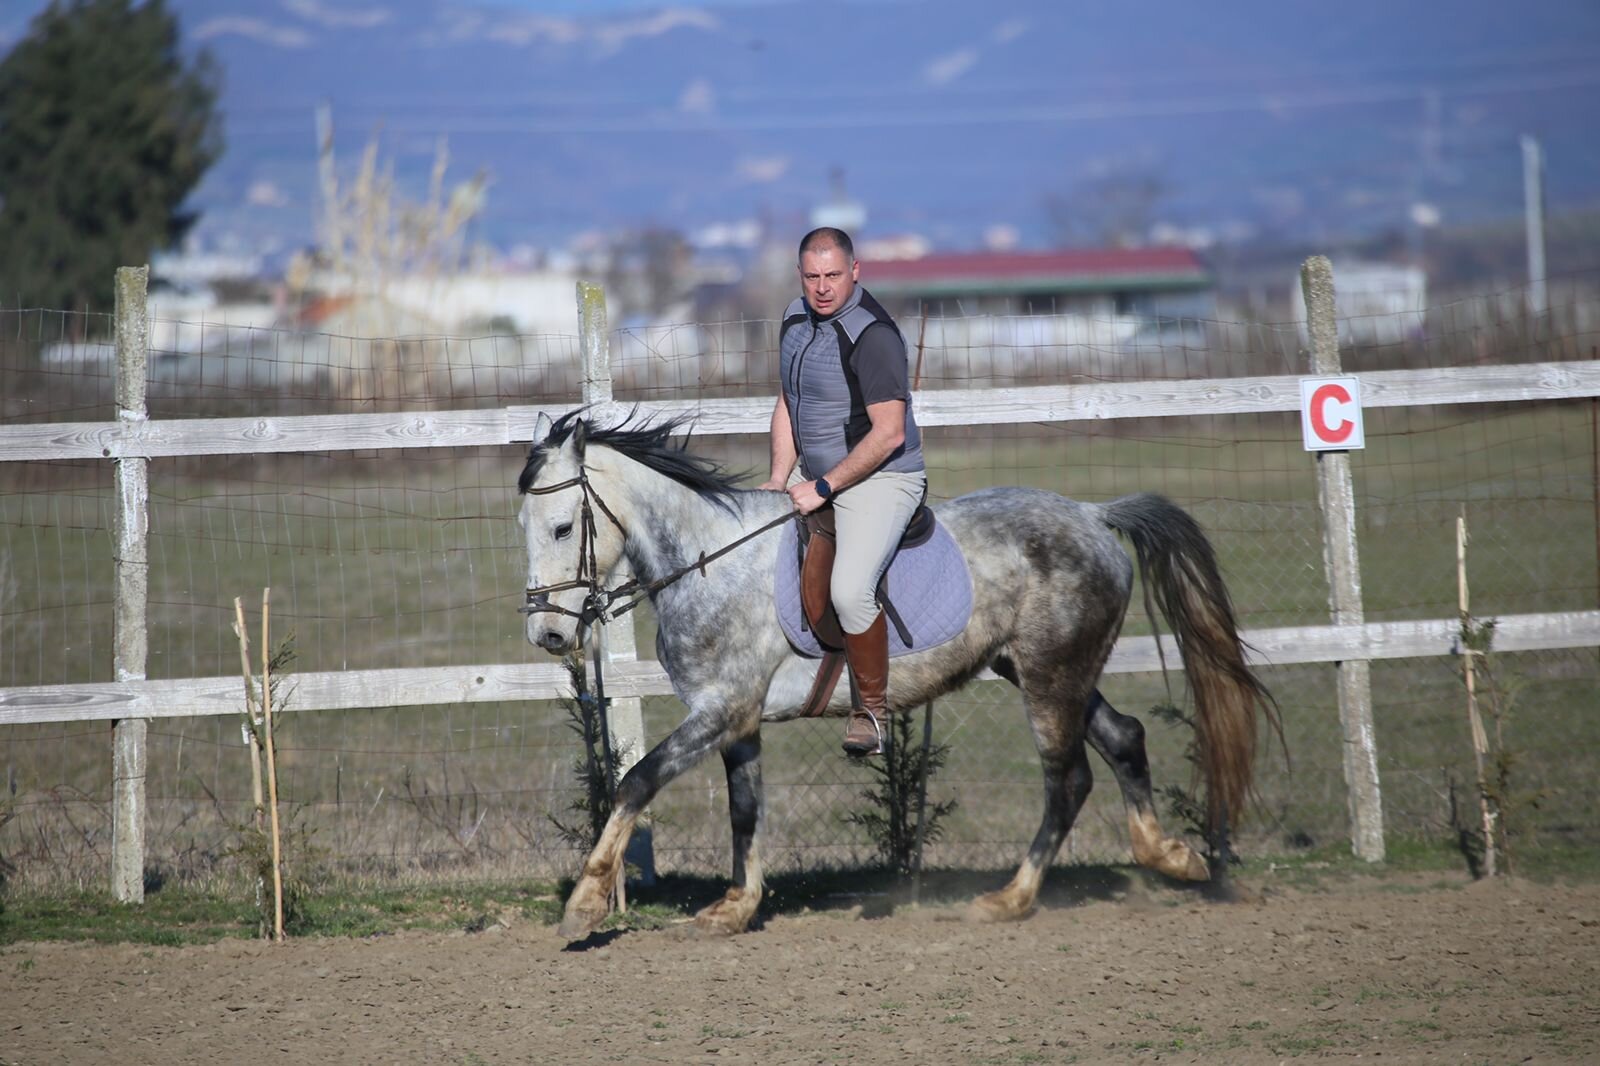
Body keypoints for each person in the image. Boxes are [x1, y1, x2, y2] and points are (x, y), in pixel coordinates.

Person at [758, 227, 927, 755]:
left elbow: (890, 433)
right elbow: (791, 400)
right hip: (814, 476)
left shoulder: (872, 335)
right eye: (813, 276)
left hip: (882, 478)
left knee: (851, 591)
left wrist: (824, 486)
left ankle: (872, 715)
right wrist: (779, 475)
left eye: (833, 275)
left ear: (855, 271)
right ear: (800, 277)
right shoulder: (794, 319)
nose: (823, 287)